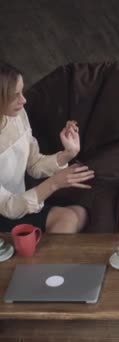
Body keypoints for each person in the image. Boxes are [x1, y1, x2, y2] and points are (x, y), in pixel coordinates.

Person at [0, 62, 95, 233]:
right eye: (15, 95)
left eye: (22, 91)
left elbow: (34, 164)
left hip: (18, 204)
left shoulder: (17, 115)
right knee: (70, 218)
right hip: (7, 210)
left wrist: (67, 154)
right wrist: (55, 183)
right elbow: (9, 207)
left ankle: (42, 258)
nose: (24, 100)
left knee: (79, 214)